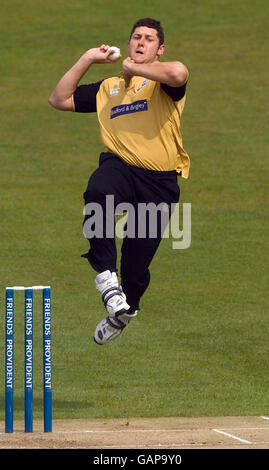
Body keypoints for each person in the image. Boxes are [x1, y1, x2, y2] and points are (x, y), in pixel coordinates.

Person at [49, 18, 190, 345]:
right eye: (136, 38)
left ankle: (125, 311)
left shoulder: (162, 84)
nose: (141, 42)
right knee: (99, 189)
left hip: (159, 183)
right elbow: (59, 99)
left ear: (159, 49)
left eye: (149, 39)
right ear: (128, 44)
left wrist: (135, 69)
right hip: (121, 167)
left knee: (137, 268)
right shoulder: (108, 88)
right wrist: (87, 59)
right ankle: (105, 278)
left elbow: (179, 73)